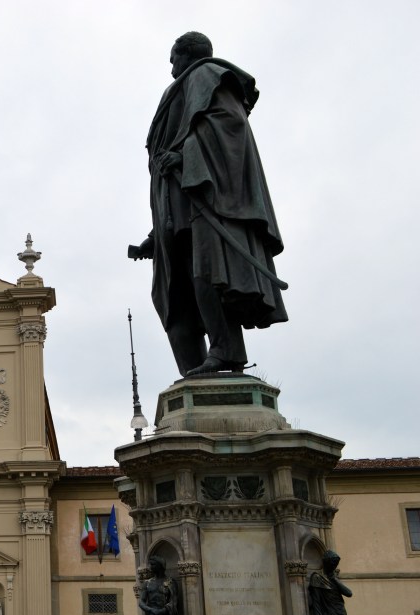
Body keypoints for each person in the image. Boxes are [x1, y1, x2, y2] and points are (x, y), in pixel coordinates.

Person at [132, 32, 287, 377]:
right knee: (174, 296)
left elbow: (230, 128)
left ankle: (226, 351)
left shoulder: (207, 76)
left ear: (188, 54)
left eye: (174, 56)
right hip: (175, 209)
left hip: (205, 202)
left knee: (208, 275)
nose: (170, 64)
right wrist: (155, 233)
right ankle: (194, 370)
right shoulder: (176, 91)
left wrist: (186, 158)